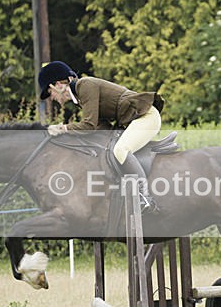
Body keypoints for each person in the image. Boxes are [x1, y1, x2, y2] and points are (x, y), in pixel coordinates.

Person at [38, 61, 162, 212]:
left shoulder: (85, 85)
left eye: (49, 93)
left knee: (120, 150)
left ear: (57, 85)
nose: (51, 98)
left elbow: (88, 126)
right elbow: (100, 128)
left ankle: (146, 198)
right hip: (133, 120)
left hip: (146, 116)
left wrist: (63, 128)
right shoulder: (80, 97)